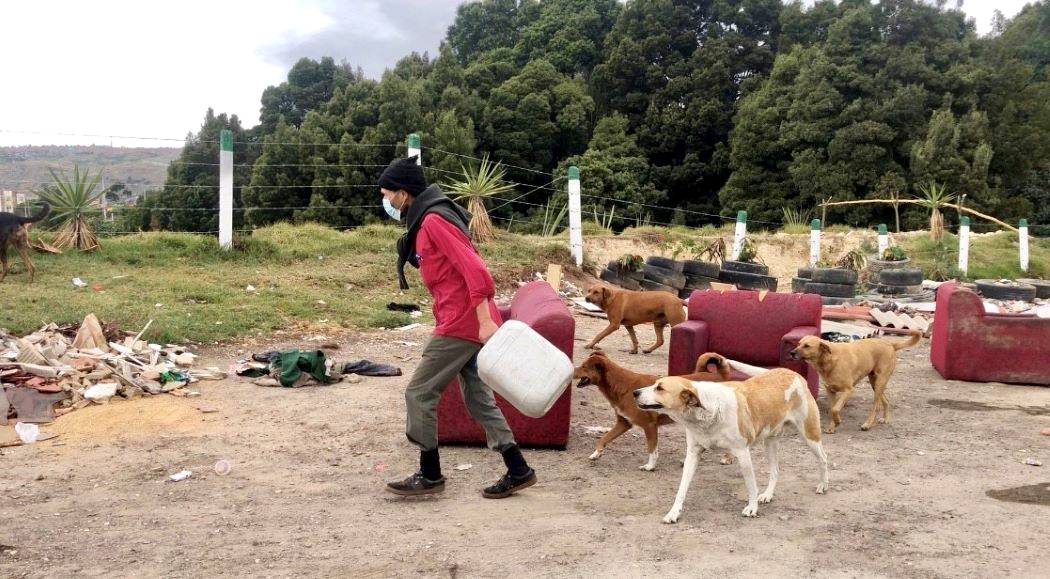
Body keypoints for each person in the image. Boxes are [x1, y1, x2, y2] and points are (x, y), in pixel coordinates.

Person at [378, 156, 537, 499]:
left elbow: (476, 270)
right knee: (478, 398)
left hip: (464, 323)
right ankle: (518, 468)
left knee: (419, 393)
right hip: (463, 319)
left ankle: (430, 473)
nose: (386, 201)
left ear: (404, 193)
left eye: (388, 194)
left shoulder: (434, 220)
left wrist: (483, 322)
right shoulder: (426, 218)